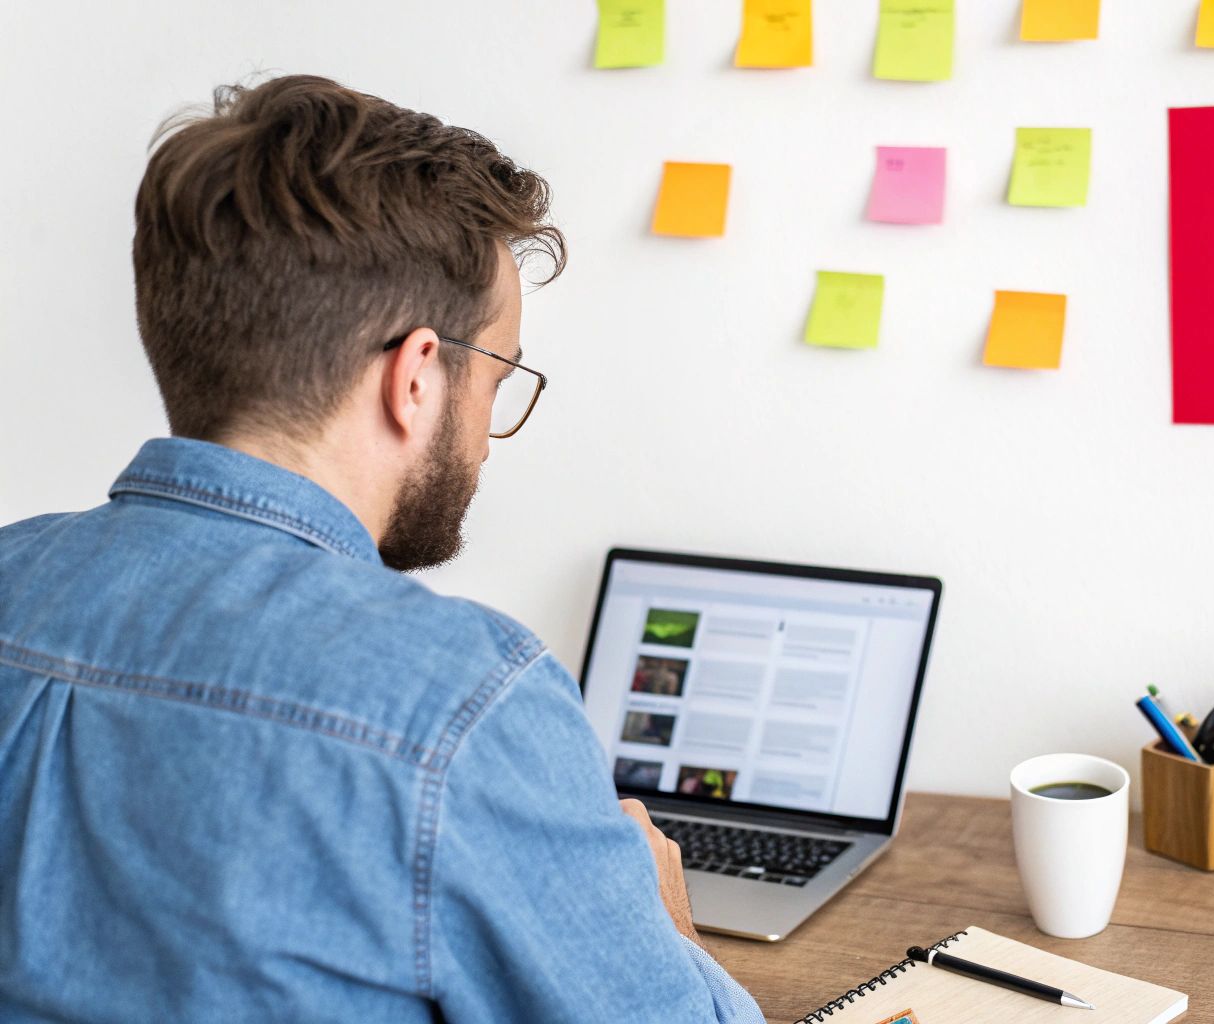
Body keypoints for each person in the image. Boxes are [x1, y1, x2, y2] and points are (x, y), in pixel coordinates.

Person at [0, 74, 763, 1023]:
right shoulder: (460, 702)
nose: (488, 430)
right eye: (499, 370)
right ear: (414, 376)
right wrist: (666, 927)